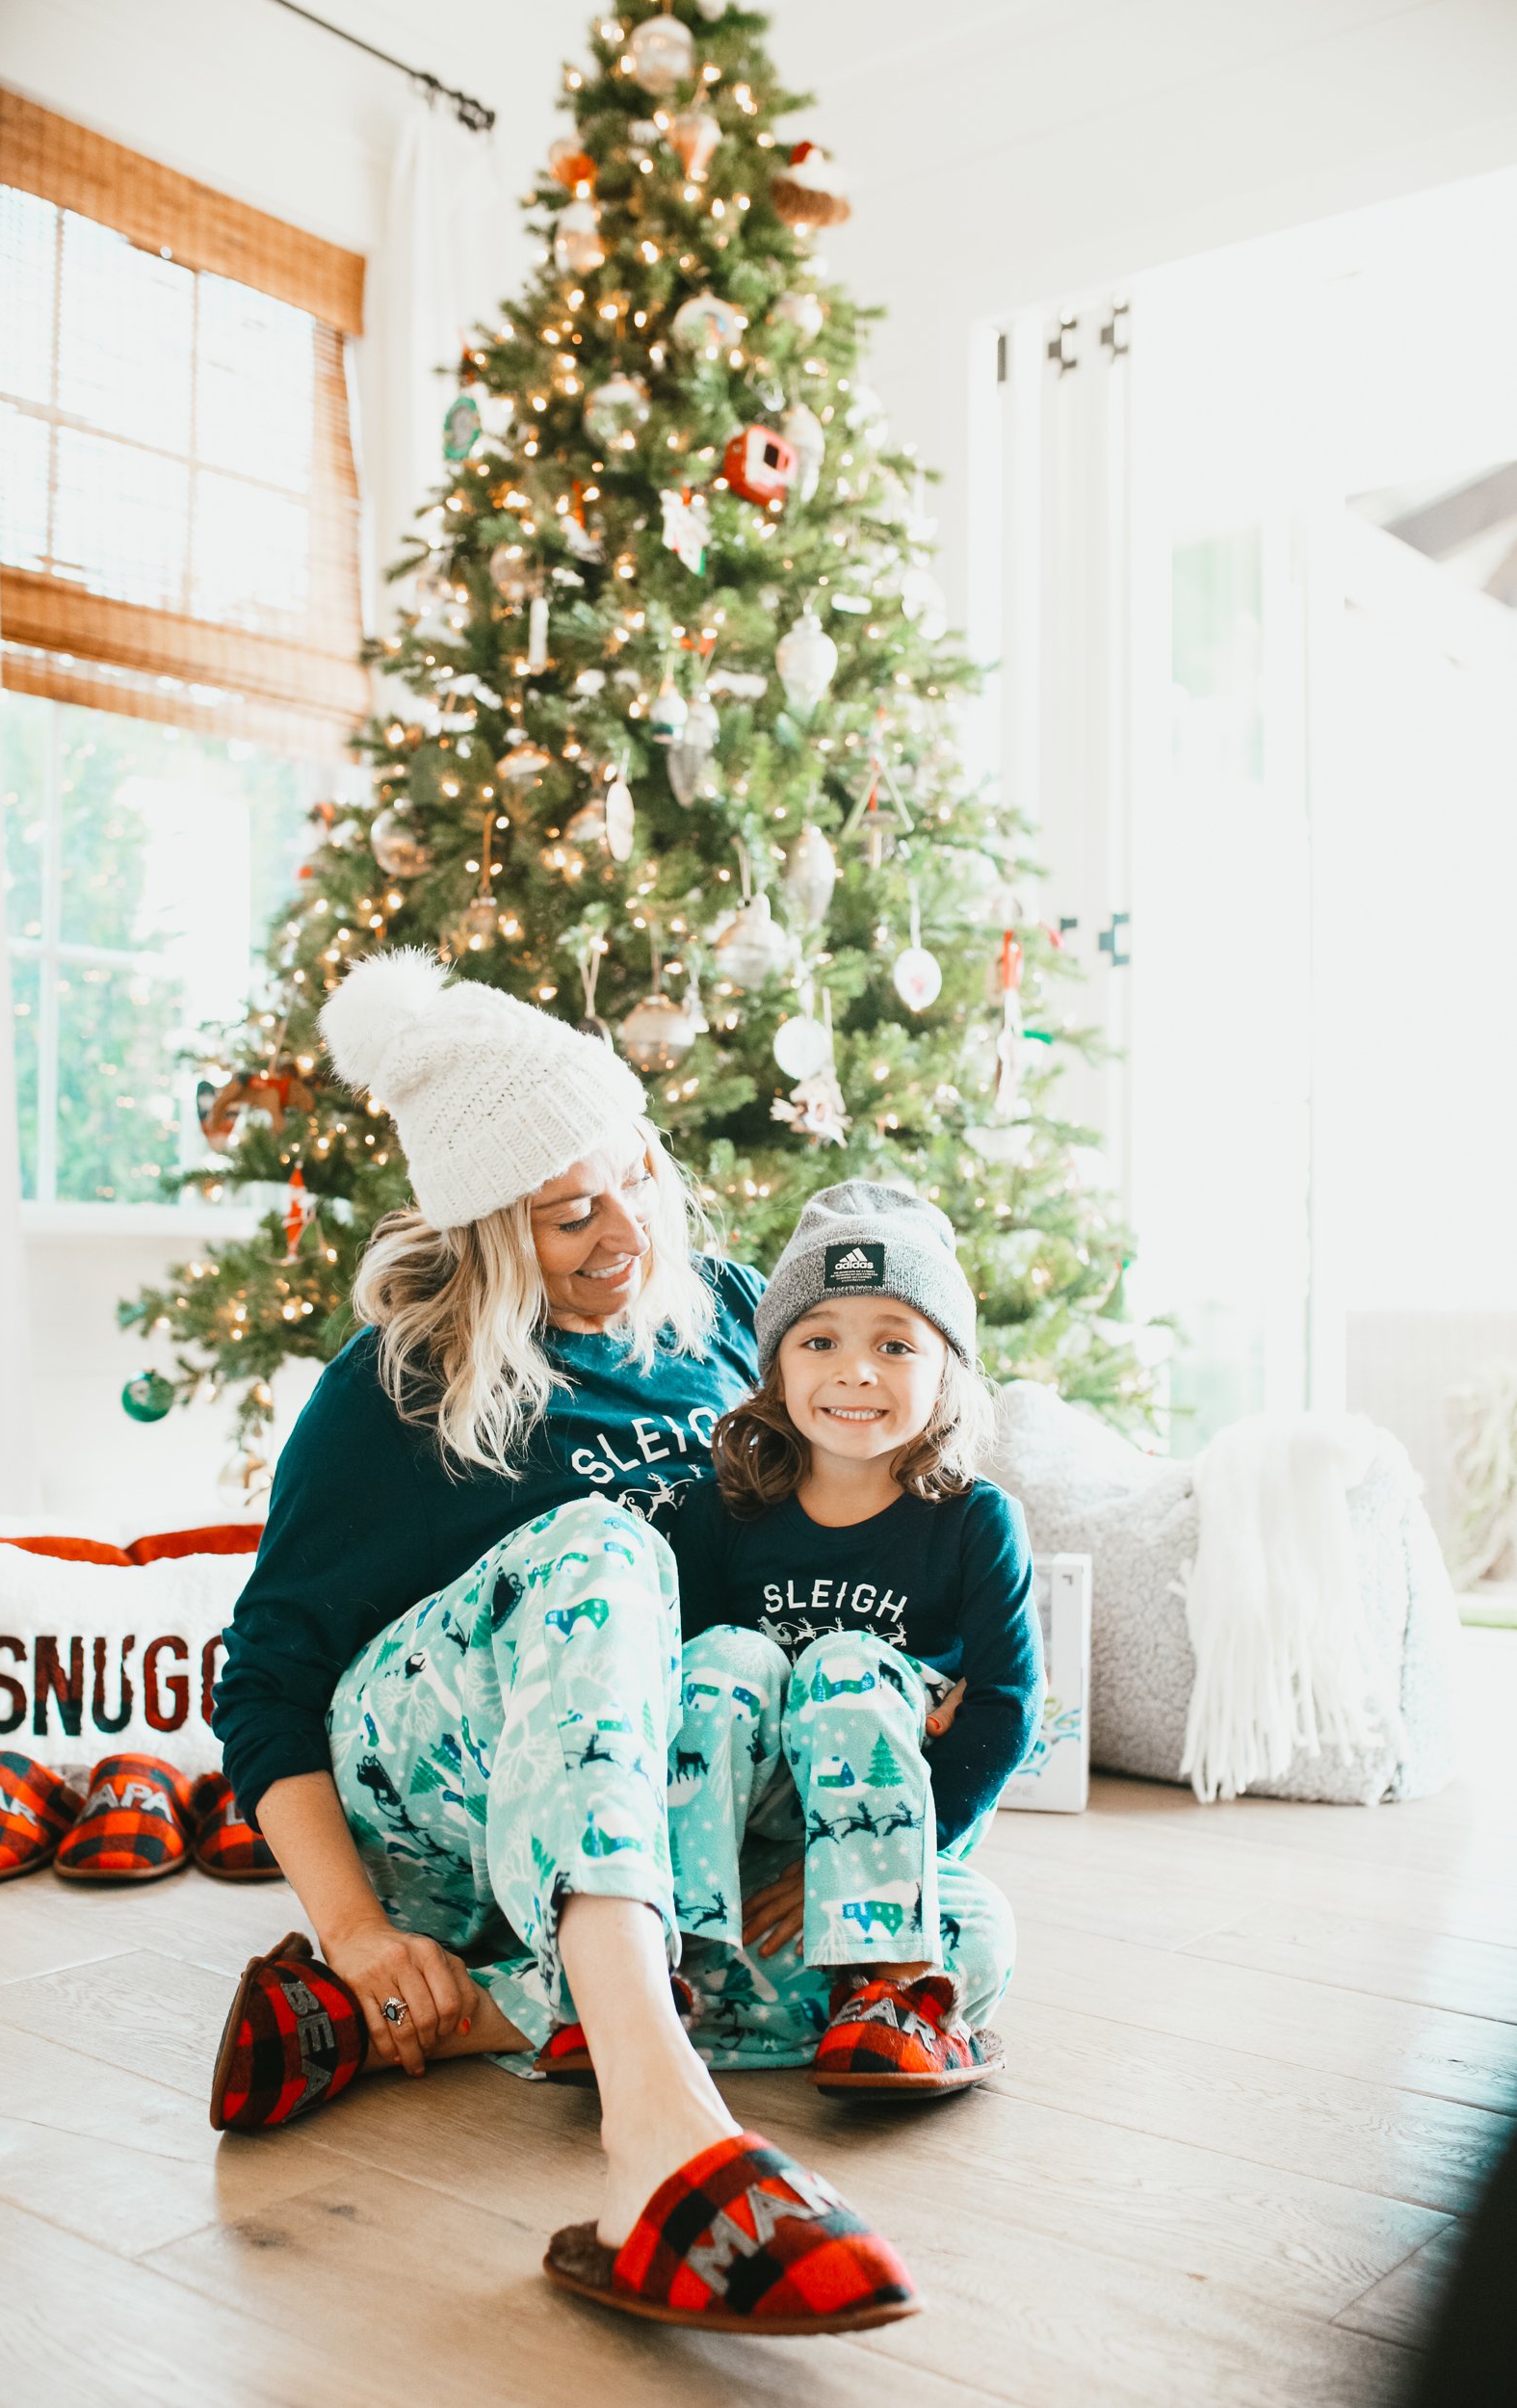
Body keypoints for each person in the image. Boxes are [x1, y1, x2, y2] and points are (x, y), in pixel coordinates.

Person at [207, 949, 919, 2336]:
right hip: (440, 1790)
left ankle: (453, 2014)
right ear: (480, 1234)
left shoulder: (725, 1316)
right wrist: (352, 1930)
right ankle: (656, 2136)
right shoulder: (400, 1385)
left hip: (651, 1803)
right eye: (565, 1215)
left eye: (636, 1176)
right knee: (607, 1550)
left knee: (940, 1944)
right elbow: (267, 1684)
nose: (624, 1234)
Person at [664, 1182, 1043, 2092]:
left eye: (895, 1344)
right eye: (820, 1339)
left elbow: (1002, 1707)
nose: (855, 1370)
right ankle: (661, 1967)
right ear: (776, 1366)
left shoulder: (975, 1522)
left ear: (945, 1368)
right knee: (721, 1661)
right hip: (727, 1841)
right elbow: (676, 1709)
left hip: (892, 1826)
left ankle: (879, 1986)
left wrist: (868, 1867)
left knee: (983, 1935)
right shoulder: (716, 1515)